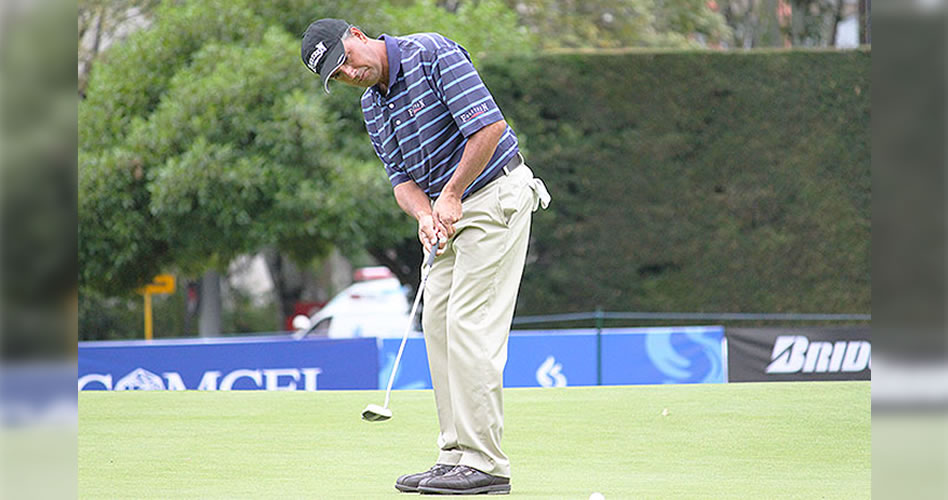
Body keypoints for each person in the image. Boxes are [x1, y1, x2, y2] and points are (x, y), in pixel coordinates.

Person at [301, 18, 550, 496]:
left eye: (345, 62)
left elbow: (489, 127)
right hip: (444, 213)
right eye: (337, 76)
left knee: (468, 325)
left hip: (495, 195)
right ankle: (454, 454)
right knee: (436, 323)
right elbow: (401, 180)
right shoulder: (372, 107)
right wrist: (423, 214)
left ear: (356, 35)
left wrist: (452, 194)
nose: (349, 75)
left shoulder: (430, 53)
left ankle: (486, 464)